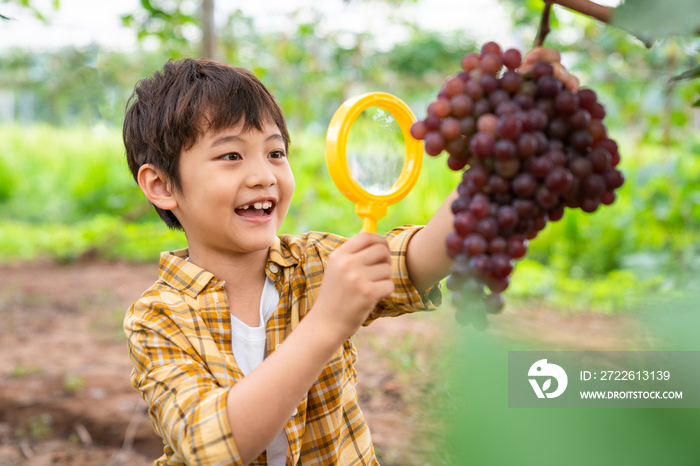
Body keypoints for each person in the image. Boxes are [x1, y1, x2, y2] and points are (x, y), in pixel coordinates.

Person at [123, 48, 573, 466]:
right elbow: (210, 444)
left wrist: (506, 155)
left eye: (276, 152)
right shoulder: (157, 319)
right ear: (162, 186)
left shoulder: (316, 263)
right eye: (231, 155)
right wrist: (327, 323)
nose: (263, 175)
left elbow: (423, 256)